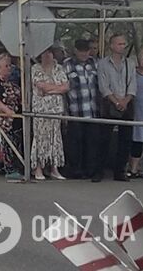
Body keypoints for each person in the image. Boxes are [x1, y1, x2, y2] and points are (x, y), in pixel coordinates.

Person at [97, 33, 137, 182]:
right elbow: (103, 86)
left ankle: (120, 171)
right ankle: (99, 170)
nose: (122, 47)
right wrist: (115, 101)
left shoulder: (130, 63)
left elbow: (133, 84)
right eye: (119, 44)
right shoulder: (102, 63)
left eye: (124, 44)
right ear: (112, 45)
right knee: (104, 138)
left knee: (125, 139)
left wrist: (126, 100)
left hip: (127, 102)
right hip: (109, 103)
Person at [63, 39, 100, 180]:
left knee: (91, 142)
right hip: (75, 111)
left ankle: (90, 170)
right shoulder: (67, 65)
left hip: (92, 110)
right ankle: (75, 170)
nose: (84, 53)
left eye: (86, 50)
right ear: (75, 50)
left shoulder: (95, 63)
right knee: (75, 143)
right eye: (81, 51)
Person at [30, 47, 69, 180]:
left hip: (56, 109)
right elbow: (40, 86)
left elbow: (65, 87)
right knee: (40, 137)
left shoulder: (59, 68)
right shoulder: (35, 68)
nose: (47, 56)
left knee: (55, 138)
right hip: (40, 109)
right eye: (44, 53)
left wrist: (52, 90)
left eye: (49, 53)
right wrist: (56, 88)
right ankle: (38, 167)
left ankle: (54, 168)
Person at [0, 54, 23, 181]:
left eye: (10, 65)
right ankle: (9, 168)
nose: (9, 68)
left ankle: (17, 166)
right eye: (5, 66)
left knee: (16, 141)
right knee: (8, 142)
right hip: (5, 118)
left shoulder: (11, 83)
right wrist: (7, 110)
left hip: (15, 116)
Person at [128, 48, 143, 178]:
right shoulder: (134, 73)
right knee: (136, 140)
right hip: (137, 111)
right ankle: (133, 169)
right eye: (142, 58)